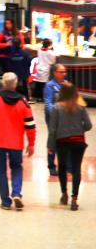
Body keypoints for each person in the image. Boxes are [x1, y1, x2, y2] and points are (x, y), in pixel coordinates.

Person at [0, 72, 36, 210]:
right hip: (16, 143)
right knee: (16, 167)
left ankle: (5, 201)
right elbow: (30, 126)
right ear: (16, 84)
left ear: (3, 83)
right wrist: (31, 144)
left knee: (0, 171)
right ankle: (16, 193)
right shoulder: (23, 103)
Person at [48, 82, 92, 210]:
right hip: (78, 142)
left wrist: (50, 146)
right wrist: (80, 129)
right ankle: (74, 198)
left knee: (62, 167)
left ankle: (64, 194)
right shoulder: (80, 107)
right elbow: (89, 125)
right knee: (76, 169)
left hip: (62, 142)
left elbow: (52, 129)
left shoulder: (56, 107)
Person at [44, 62, 69, 176]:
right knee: (53, 141)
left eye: (65, 71)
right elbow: (48, 103)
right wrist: (56, 116)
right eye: (61, 72)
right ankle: (51, 166)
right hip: (53, 119)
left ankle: (66, 165)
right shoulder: (49, 86)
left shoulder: (67, 85)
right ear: (55, 73)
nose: (64, 74)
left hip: (65, 119)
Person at [29, 38, 56, 102]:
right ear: (50, 45)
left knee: (38, 84)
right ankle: (43, 97)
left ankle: (36, 96)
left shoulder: (39, 51)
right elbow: (53, 62)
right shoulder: (50, 53)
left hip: (39, 68)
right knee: (44, 85)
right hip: (45, 69)